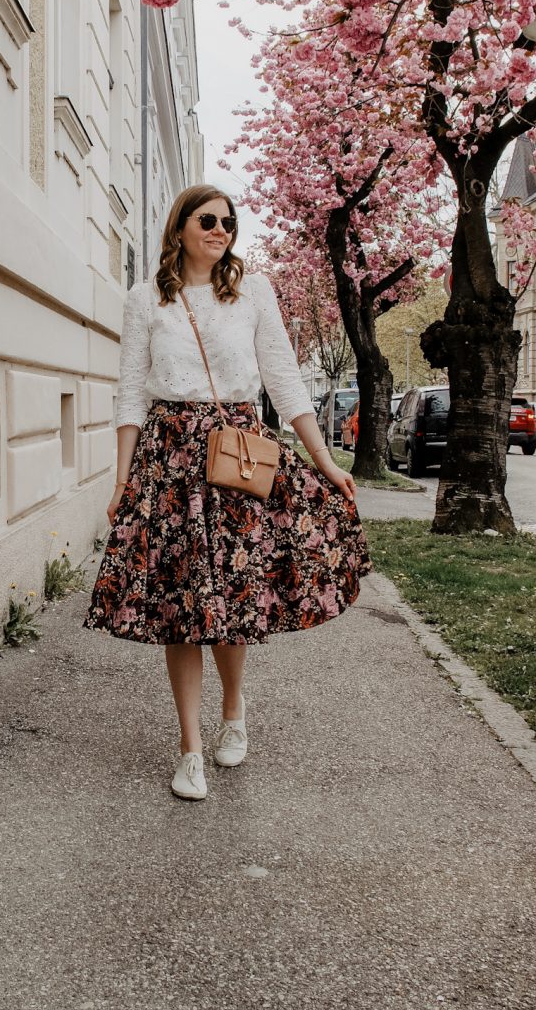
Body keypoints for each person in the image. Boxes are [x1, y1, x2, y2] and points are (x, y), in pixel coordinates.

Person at [84, 185, 371, 801]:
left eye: (228, 223)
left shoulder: (253, 292)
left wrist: (324, 461)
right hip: (169, 461)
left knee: (235, 593)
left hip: (239, 455)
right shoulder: (146, 299)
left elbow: (286, 381)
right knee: (181, 609)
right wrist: (121, 479)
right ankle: (190, 748)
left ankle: (233, 713)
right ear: (180, 228)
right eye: (207, 220)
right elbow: (131, 393)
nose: (220, 231)